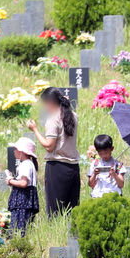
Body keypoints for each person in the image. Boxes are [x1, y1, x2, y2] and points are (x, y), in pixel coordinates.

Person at [26, 87, 80, 218]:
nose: (45, 108)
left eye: (45, 104)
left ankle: (56, 234)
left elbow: (49, 146)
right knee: (71, 208)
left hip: (57, 167)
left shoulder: (53, 119)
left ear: (50, 102)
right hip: (73, 167)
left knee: (55, 210)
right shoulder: (73, 116)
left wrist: (35, 130)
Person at [5, 137, 39, 235]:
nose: (14, 151)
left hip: (22, 201)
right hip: (25, 201)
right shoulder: (29, 164)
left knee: (18, 229)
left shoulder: (26, 165)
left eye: (16, 149)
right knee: (24, 228)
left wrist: (10, 181)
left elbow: (24, 183)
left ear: (22, 152)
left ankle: (18, 246)